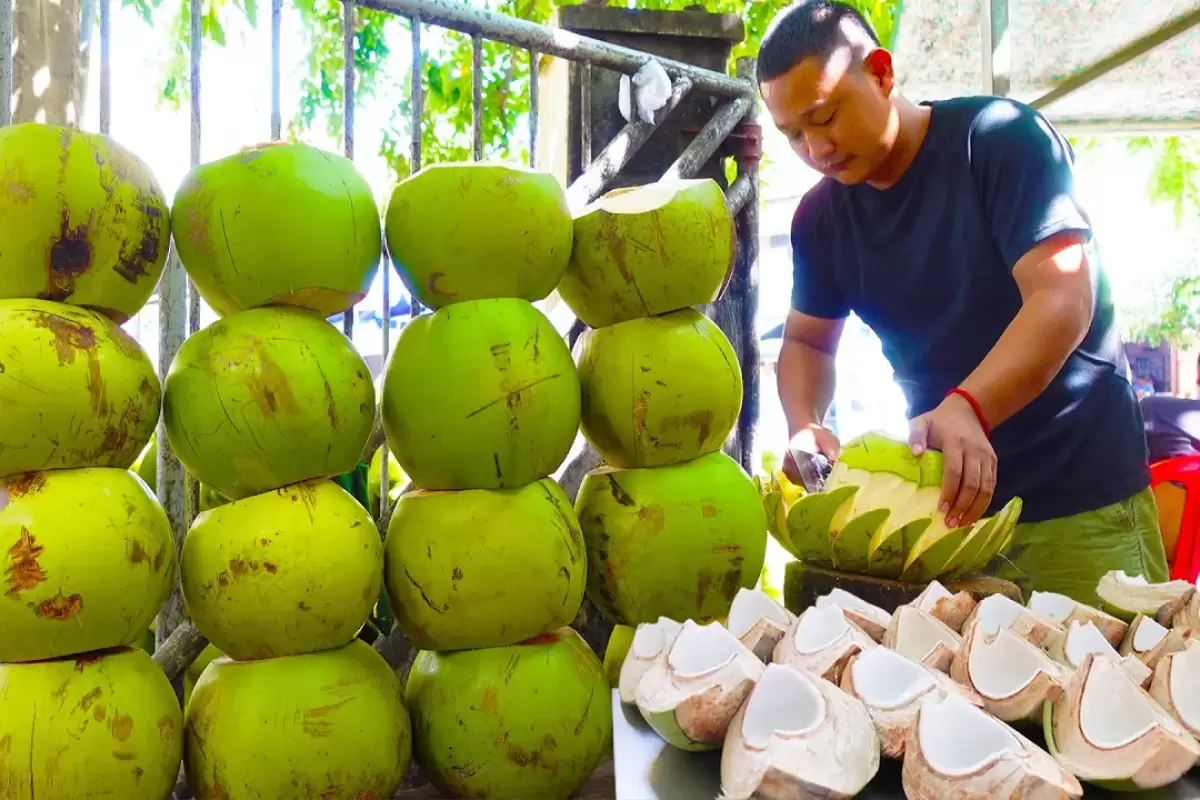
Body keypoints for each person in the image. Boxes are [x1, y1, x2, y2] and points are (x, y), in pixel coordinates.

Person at [757, 0, 1169, 604]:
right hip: (944, 523)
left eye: (825, 117)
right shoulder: (819, 219)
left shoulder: (1001, 139)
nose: (815, 149)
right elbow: (807, 341)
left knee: (1117, 689)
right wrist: (805, 427)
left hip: (1079, 501)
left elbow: (1063, 295)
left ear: (880, 72)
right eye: (793, 134)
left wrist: (969, 405)